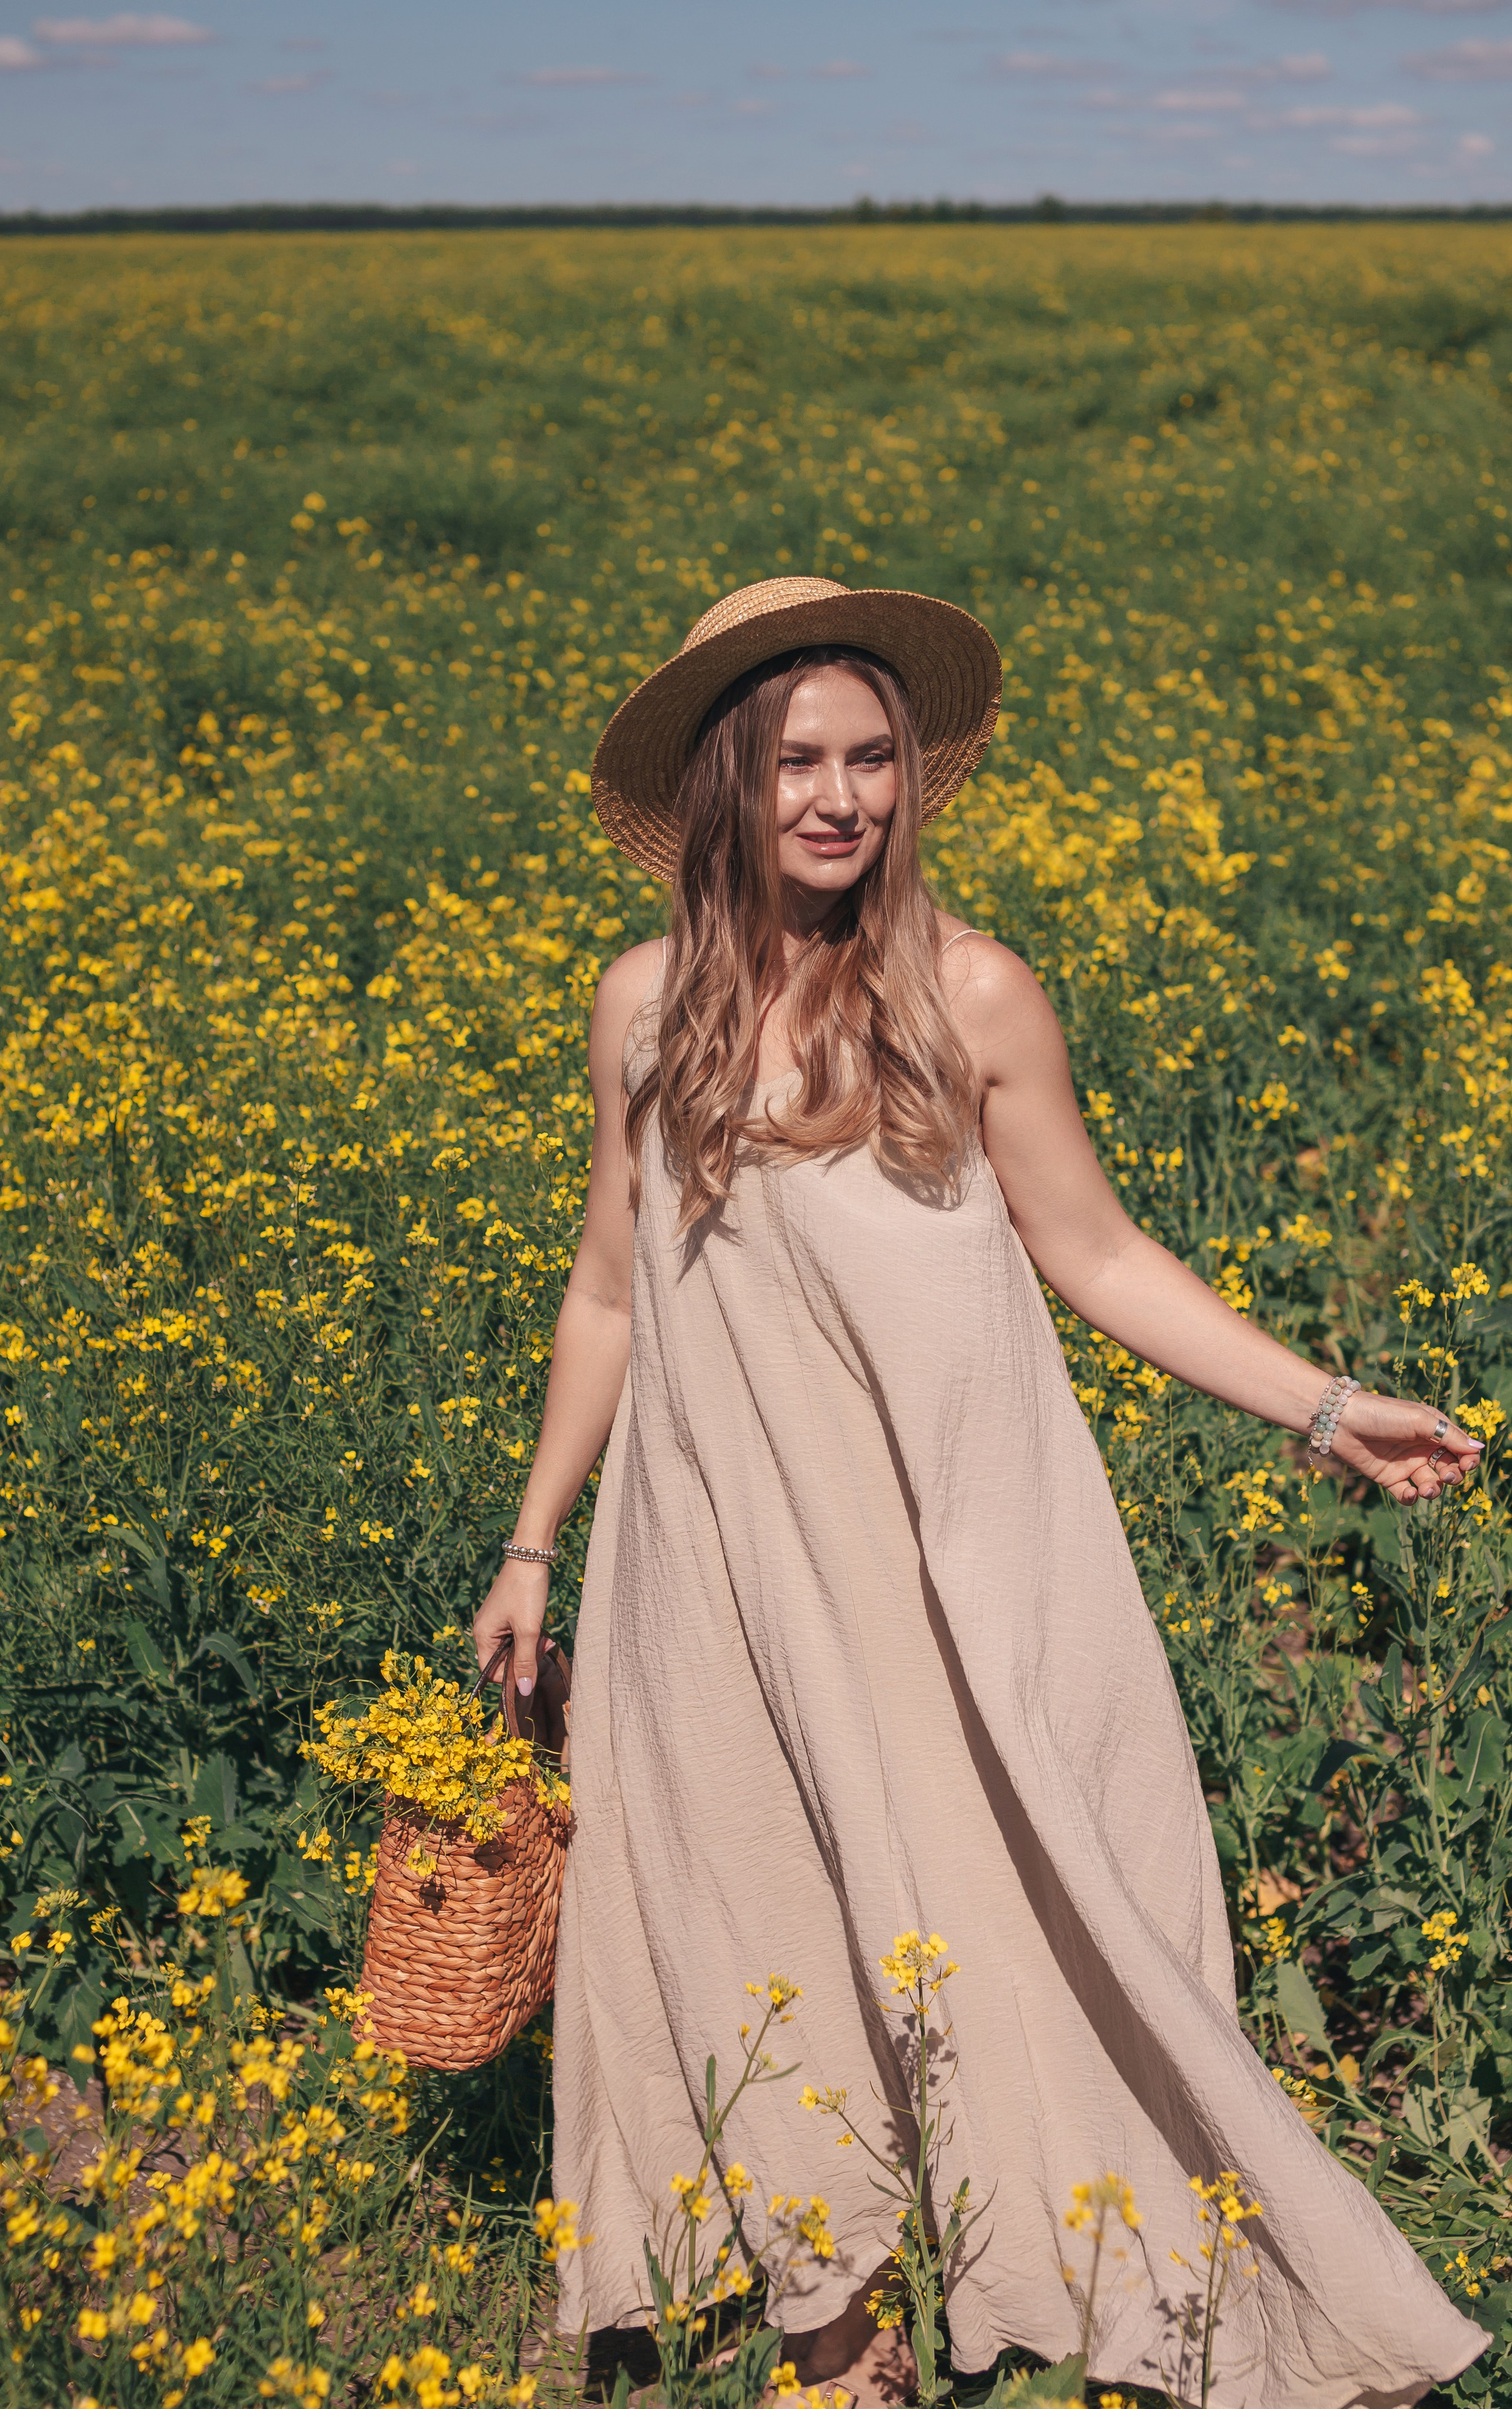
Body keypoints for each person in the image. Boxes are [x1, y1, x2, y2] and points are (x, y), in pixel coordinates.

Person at [473, 577, 1487, 2408]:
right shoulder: (640, 1007)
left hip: (941, 1549)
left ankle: (1129, 2277)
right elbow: (608, 1289)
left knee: (1019, 1890)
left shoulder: (970, 990)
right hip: (707, 1552)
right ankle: (829, 2330)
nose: (843, 798)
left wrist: (1320, 1405)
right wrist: (537, 1537)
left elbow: (1101, 1257)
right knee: (740, 1895)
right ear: (727, 781)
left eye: (874, 759)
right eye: (800, 761)